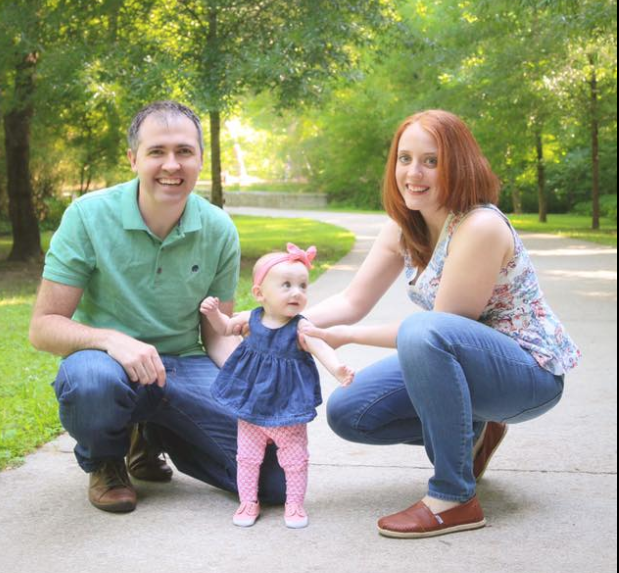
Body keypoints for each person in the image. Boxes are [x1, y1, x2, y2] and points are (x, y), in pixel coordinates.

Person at [300, 110, 581, 538]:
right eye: (405, 158)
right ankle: (475, 433)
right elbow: (352, 301)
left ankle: (453, 496)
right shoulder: (404, 226)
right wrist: (276, 320)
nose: (413, 173)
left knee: (422, 330)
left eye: (431, 161)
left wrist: (347, 336)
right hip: (467, 364)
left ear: (459, 165)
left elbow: (438, 328)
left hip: (527, 372)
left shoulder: (480, 226)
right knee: (350, 412)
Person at [29, 100, 287, 513]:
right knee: (92, 382)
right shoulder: (87, 216)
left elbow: (216, 335)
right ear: (133, 159)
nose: (172, 164)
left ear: (200, 159)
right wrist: (112, 341)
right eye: (156, 152)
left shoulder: (219, 229)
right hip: (108, 364)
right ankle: (107, 460)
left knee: (272, 481)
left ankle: (153, 433)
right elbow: (44, 327)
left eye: (184, 151)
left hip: (183, 366)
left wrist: (249, 380)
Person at [200, 243, 354, 529]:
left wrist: (337, 368)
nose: (297, 292)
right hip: (251, 404)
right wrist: (213, 315)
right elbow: (224, 328)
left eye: (302, 286)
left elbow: (320, 347)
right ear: (260, 293)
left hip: (288, 406)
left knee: (295, 459)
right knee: (247, 458)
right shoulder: (251, 319)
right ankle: (248, 502)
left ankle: (294, 504)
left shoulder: (301, 327)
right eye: (286, 285)